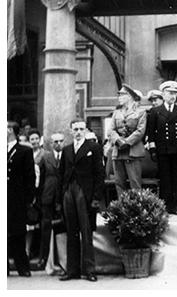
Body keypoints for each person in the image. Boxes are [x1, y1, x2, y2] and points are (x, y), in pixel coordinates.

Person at [58, 119, 105, 282]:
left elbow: (100, 174)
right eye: (75, 129)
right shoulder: (67, 150)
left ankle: (89, 270)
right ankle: (72, 270)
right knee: (71, 232)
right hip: (69, 192)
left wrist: (96, 197)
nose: (78, 132)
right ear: (71, 131)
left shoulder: (93, 148)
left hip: (85, 193)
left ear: (85, 130)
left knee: (86, 232)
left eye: (81, 129)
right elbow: (61, 174)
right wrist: (61, 196)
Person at [147, 81, 177, 215]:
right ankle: (165, 206)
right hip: (162, 150)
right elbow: (151, 132)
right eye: (169, 93)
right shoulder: (155, 111)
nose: (172, 96)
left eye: (174, 93)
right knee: (165, 178)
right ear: (163, 94)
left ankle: (176, 205)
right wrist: (153, 149)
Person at [7, 121, 36, 277]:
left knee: (18, 233)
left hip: (17, 199)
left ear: (11, 130)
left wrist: (29, 199)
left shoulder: (24, 151)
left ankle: (22, 267)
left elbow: (29, 176)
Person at [109, 84, 147, 197]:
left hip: (133, 151)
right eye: (119, 95)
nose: (119, 97)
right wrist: (118, 140)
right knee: (119, 183)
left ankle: (136, 208)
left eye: (122, 94)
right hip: (118, 151)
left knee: (135, 182)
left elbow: (140, 131)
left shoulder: (140, 112)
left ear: (129, 96)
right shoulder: (116, 112)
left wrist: (126, 142)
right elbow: (111, 130)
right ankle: (122, 209)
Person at [37, 133, 65, 270]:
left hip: (63, 196)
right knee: (46, 227)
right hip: (48, 195)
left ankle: (62, 259)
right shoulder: (46, 157)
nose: (58, 144)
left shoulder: (67, 156)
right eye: (55, 142)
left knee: (63, 227)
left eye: (60, 141)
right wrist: (40, 196)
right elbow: (41, 179)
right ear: (51, 143)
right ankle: (44, 257)